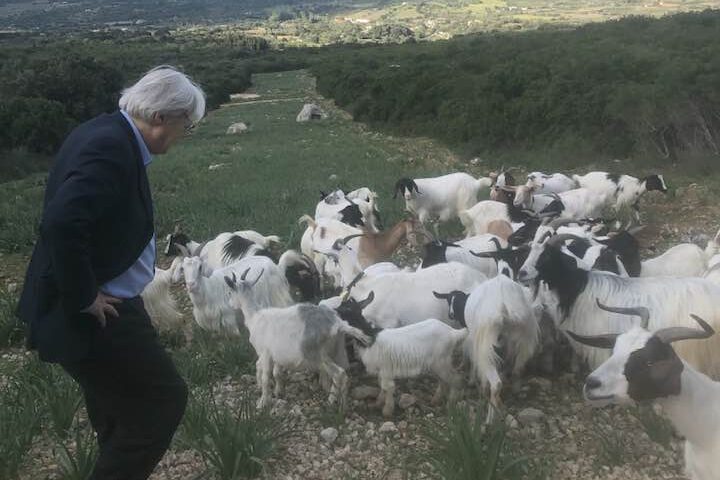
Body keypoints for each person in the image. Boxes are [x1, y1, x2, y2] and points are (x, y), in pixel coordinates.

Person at [17, 65, 205, 480]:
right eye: (184, 125)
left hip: (103, 302)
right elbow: (62, 223)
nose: (183, 134)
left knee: (117, 408)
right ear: (161, 118)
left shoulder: (106, 131)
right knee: (164, 400)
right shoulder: (111, 148)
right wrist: (85, 295)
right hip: (98, 310)